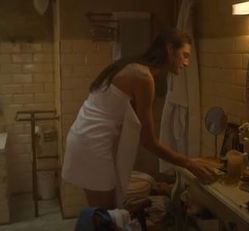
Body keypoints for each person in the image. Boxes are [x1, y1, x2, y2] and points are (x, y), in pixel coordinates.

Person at [62, 28, 217, 210]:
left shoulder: (133, 67)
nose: (187, 62)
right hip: (91, 143)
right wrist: (188, 163)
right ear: (169, 49)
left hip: (84, 138)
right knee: (104, 216)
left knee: (103, 214)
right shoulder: (143, 77)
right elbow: (149, 141)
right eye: (184, 55)